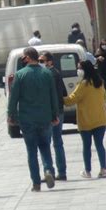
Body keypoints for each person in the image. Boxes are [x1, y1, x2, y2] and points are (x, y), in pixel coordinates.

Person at [7, 47, 59, 192]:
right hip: (45, 118)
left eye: (24, 57)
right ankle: (48, 170)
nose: (23, 59)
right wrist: (55, 115)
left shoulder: (20, 75)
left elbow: (13, 98)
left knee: (31, 151)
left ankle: (36, 183)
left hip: (27, 119)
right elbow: (53, 96)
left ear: (28, 58)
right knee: (45, 147)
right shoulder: (47, 73)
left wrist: (11, 115)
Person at [63, 60, 106, 179]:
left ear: (84, 70)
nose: (78, 70)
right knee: (99, 144)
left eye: (79, 68)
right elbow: (104, 97)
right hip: (100, 118)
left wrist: (61, 99)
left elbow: (73, 99)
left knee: (86, 146)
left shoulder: (83, 84)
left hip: (86, 119)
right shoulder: (99, 82)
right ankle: (103, 169)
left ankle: (87, 171)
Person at [39, 51, 68, 180]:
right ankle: (61, 173)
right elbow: (64, 92)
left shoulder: (48, 74)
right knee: (58, 142)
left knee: (47, 142)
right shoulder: (56, 73)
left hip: (51, 113)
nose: (41, 63)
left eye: (42, 61)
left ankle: (49, 171)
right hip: (59, 111)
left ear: (50, 61)